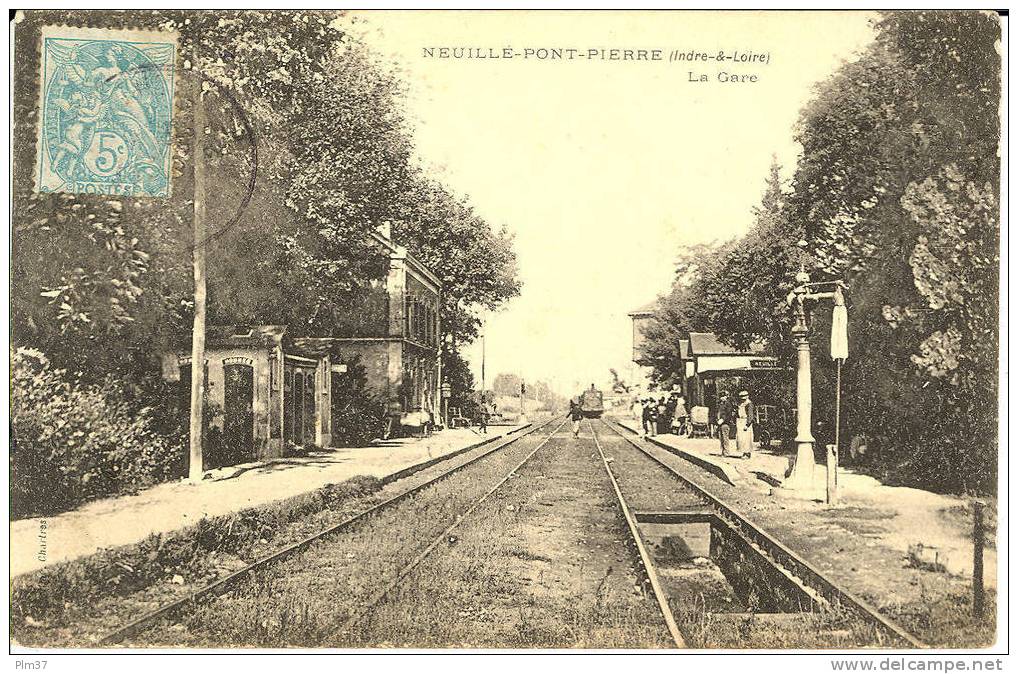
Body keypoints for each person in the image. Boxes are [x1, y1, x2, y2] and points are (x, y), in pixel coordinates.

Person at [736, 390, 756, 458]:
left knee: (747, 438)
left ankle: (747, 453)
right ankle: (744, 452)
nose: (742, 399)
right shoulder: (740, 404)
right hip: (740, 421)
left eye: (744, 397)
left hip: (745, 422)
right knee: (741, 438)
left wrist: (747, 424)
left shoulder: (749, 404)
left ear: (747, 396)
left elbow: (750, 415)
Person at [716, 392, 736, 457]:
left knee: (725, 437)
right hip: (719, 423)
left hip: (725, 423)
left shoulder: (728, 404)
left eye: (723, 397)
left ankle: (726, 452)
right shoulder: (720, 404)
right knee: (721, 438)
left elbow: (729, 414)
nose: (722, 398)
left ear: (726, 397)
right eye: (721, 397)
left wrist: (723, 420)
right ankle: (723, 451)